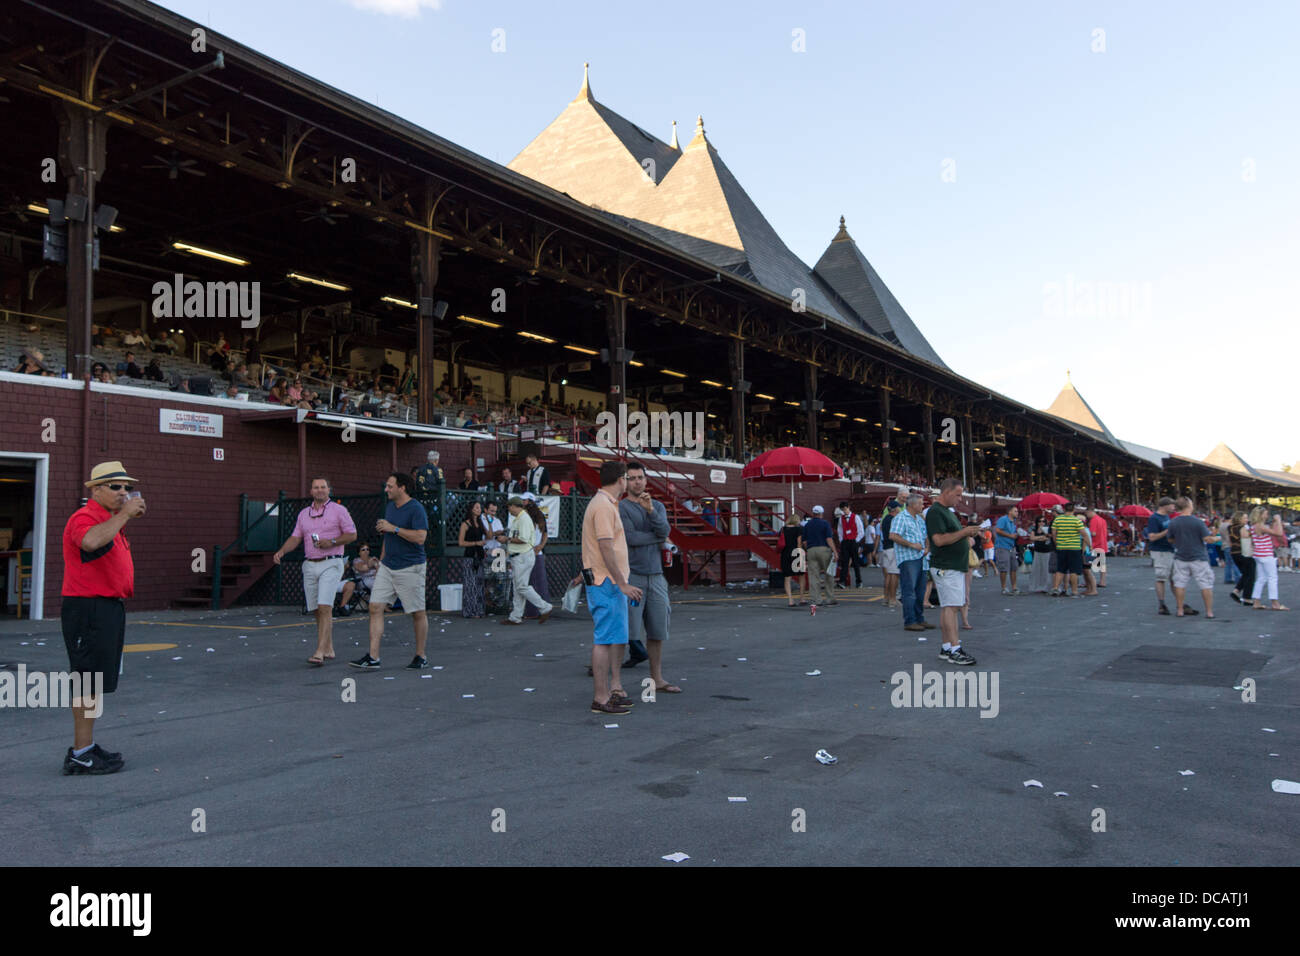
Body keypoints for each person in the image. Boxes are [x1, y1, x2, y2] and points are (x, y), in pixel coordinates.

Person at [59, 461, 146, 775]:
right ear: (95, 489)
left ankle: (87, 747)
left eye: (126, 487)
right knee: (86, 681)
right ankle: (80, 753)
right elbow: (89, 542)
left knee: (95, 681)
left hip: (106, 607)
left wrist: (122, 518)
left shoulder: (111, 519)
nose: (123, 492)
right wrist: (124, 515)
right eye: (115, 486)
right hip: (87, 608)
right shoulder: (85, 517)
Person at [582, 460, 643, 715]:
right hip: (605, 581)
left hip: (603, 579)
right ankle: (601, 698)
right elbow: (605, 547)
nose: (630, 482)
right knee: (604, 640)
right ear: (621, 480)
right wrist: (623, 583)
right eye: (628, 478)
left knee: (608, 638)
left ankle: (606, 694)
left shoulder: (604, 504)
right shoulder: (604, 506)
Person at [351, 472, 430, 670]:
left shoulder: (416, 508)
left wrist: (394, 528)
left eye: (389, 486)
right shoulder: (389, 507)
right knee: (375, 607)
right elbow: (388, 536)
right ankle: (373, 657)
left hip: (411, 567)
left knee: (417, 612)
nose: (386, 489)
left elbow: (421, 537)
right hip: (388, 566)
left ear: (402, 487)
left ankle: (420, 655)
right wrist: (382, 562)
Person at [273, 478, 357, 664]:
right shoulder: (304, 513)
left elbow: (352, 535)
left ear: (329, 489)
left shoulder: (339, 510)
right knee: (317, 609)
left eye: (323, 487)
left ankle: (319, 651)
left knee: (325, 606)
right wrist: (282, 550)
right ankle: (328, 647)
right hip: (310, 563)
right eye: (316, 487)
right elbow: (296, 537)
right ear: (311, 491)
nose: (320, 490)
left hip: (331, 561)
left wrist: (332, 542)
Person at [617, 463, 679, 690]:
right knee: (626, 632)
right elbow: (630, 538)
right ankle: (616, 685)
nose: (637, 482)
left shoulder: (658, 506)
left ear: (646, 479)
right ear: (625, 481)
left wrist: (651, 512)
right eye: (632, 478)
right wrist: (657, 536)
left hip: (657, 576)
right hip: (633, 575)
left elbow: (665, 531)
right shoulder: (621, 507)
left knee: (657, 630)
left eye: (640, 477)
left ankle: (657, 678)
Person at [925, 477, 980, 665]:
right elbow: (939, 540)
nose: (960, 499)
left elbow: (948, 537)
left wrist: (966, 535)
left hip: (949, 566)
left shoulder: (944, 512)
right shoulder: (935, 512)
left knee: (948, 606)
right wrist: (965, 533)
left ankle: (947, 646)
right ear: (946, 492)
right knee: (952, 607)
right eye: (957, 495)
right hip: (947, 566)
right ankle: (955, 649)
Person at [496, 496, 553, 625]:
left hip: (522, 556)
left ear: (514, 506)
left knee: (521, 587)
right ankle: (515, 617)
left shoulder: (523, 519)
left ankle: (544, 607)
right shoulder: (520, 518)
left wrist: (507, 539)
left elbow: (524, 539)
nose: (509, 509)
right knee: (518, 588)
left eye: (509, 506)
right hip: (520, 556)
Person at [1167, 496, 1219, 619]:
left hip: (1181, 556)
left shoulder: (1173, 522)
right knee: (1205, 584)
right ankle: (1209, 611)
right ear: (1189, 506)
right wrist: (1218, 538)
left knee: (1179, 583)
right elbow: (1208, 539)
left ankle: (1180, 610)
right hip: (1198, 557)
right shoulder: (1197, 522)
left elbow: (1170, 539)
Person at [890, 493, 932, 632]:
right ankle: (910, 620)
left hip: (921, 557)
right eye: (920, 503)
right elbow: (893, 535)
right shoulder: (901, 518)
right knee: (909, 591)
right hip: (908, 558)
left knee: (920, 590)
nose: (922, 506)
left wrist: (926, 547)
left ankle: (919, 618)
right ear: (912, 504)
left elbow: (926, 535)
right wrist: (911, 544)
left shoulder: (919, 519)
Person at [1248, 506, 1288, 611]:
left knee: (1261, 578)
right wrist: (1278, 520)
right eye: (1265, 513)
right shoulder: (1261, 526)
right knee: (1272, 578)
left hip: (1258, 554)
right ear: (1261, 515)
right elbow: (1279, 533)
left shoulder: (1253, 526)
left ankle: (1256, 602)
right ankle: (1275, 603)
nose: (1267, 515)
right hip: (1266, 554)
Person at [521, 495, 552, 620]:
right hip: (537, 553)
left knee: (529, 583)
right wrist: (540, 546)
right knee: (540, 582)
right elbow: (545, 535)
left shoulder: (527, 519)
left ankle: (532, 611)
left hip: (528, 553)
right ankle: (543, 608)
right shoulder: (541, 519)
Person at [1145, 497, 1178, 615]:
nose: (1174, 507)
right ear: (1165, 505)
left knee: (1175, 578)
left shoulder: (1166, 517)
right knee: (1161, 577)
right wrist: (1168, 531)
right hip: (1160, 551)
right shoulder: (1154, 518)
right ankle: (1162, 604)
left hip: (1169, 549)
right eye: (1172, 505)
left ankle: (1179, 603)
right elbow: (1152, 537)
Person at [802, 504, 837, 606]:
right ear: (821, 514)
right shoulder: (825, 524)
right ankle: (830, 598)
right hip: (824, 549)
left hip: (811, 550)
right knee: (828, 574)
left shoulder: (807, 525)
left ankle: (816, 600)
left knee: (813, 576)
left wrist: (808, 549)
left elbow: (804, 542)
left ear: (813, 513)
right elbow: (829, 539)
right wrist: (834, 551)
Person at [1050, 502, 1086, 597]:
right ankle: (1074, 591)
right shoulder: (1077, 521)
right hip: (1074, 548)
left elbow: (1054, 534)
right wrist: (1089, 545)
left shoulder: (1057, 520)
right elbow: (1084, 534)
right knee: (1073, 571)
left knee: (1060, 569)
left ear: (1064, 509)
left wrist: (1057, 543)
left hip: (1061, 547)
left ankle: (1056, 588)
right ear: (1073, 510)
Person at [457, 502, 487, 618]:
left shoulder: (480, 523)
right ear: (471, 509)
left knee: (479, 584)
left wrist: (489, 522)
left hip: (479, 556)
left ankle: (479, 610)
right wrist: (476, 543)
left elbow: (489, 536)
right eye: (477, 507)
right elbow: (461, 542)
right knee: (471, 584)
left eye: (480, 507)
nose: (479, 509)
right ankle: (470, 610)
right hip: (470, 556)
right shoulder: (465, 524)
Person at [480, 500, 508, 614]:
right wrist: (495, 534)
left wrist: (500, 535)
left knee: (500, 579)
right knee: (487, 578)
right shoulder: (480, 520)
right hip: (486, 551)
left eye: (495, 511)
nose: (493, 513)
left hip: (497, 551)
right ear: (485, 510)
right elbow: (487, 535)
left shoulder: (497, 521)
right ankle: (487, 603)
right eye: (491, 511)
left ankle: (497, 604)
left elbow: (499, 536)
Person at [338, 544, 379, 615]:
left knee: (384, 582)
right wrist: (371, 563)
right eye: (363, 550)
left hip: (376, 578)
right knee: (376, 584)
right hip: (363, 580)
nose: (366, 551)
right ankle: (378, 606)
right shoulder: (356, 560)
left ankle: (384, 604)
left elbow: (380, 569)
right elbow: (364, 568)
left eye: (367, 549)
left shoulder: (373, 558)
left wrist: (377, 566)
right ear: (359, 552)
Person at [1228, 511, 1255, 605]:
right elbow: (1246, 537)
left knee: (1245, 574)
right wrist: (1252, 532)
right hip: (1243, 553)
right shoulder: (1241, 528)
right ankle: (1247, 597)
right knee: (1251, 575)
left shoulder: (1230, 527)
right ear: (1239, 519)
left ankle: (1236, 591)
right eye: (1245, 518)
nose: (1247, 520)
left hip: (1234, 552)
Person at [835, 502, 864, 589]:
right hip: (845, 542)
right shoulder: (841, 518)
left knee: (855, 563)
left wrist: (856, 540)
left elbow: (861, 530)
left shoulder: (856, 517)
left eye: (845, 509)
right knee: (844, 562)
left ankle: (859, 581)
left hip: (853, 542)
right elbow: (840, 531)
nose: (844, 511)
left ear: (848, 507)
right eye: (842, 510)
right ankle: (842, 581)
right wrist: (841, 541)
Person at [879, 500, 902, 609]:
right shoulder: (894, 519)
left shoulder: (885, 520)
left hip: (886, 548)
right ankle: (893, 599)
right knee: (894, 574)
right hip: (893, 548)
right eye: (898, 507)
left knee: (888, 575)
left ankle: (886, 598)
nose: (900, 509)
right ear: (894, 509)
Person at [779, 513, 806, 607]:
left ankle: (790, 600)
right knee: (801, 576)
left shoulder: (783, 529)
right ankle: (802, 598)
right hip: (796, 553)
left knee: (787, 577)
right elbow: (799, 544)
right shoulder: (799, 529)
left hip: (785, 554)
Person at [993, 505, 1020, 595]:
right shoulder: (1003, 519)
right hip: (1002, 546)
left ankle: (1014, 587)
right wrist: (1010, 536)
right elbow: (998, 530)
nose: (1017, 513)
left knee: (1014, 567)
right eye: (1015, 511)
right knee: (1004, 568)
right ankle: (1004, 588)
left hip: (1011, 546)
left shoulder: (1013, 522)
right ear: (1010, 512)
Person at [1085, 506, 1109, 588]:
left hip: (1095, 544)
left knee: (1087, 565)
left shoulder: (1093, 520)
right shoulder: (1102, 520)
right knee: (1102, 564)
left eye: (1086, 513)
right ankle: (1103, 581)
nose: (1086, 516)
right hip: (1103, 544)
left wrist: (1085, 532)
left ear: (1090, 511)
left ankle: (1089, 582)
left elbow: (1093, 533)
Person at [1028, 517, 1053, 593]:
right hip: (1037, 551)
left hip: (1047, 551)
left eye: (1043, 521)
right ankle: (1037, 586)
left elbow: (1047, 538)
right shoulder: (1034, 530)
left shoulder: (1047, 529)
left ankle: (1046, 586)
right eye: (1040, 521)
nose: (1041, 523)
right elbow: (1032, 538)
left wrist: (1038, 538)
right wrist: (1040, 537)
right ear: (1037, 522)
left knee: (1046, 570)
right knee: (1037, 569)